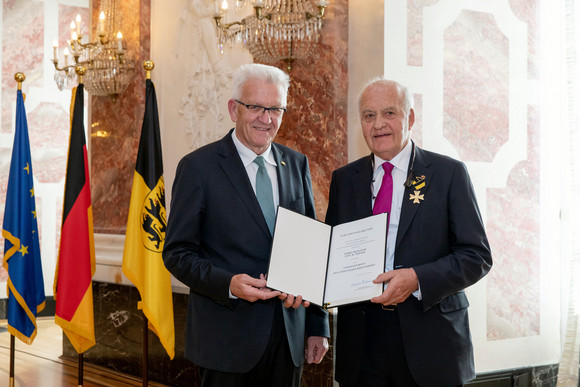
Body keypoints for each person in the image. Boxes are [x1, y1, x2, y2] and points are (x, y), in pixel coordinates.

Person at [163, 63, 330, 387]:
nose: (265, 119)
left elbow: (312, 248)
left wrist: (317, 325)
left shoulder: (296, 163)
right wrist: (229, 284)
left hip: (288, 340)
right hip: (225, 342)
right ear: (233, 109)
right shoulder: (199, 167)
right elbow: (177, 253)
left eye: (275, 109)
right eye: (255, 107)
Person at [325, 78, 493, 387]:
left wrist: (417, 278)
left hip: (431, 340)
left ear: (410, 118)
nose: (379, 124)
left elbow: (476, 256)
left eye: (389, 113)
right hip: (362, 343)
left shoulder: (447, 174)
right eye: (368, 115)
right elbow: (331, 255)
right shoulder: (345, 180)